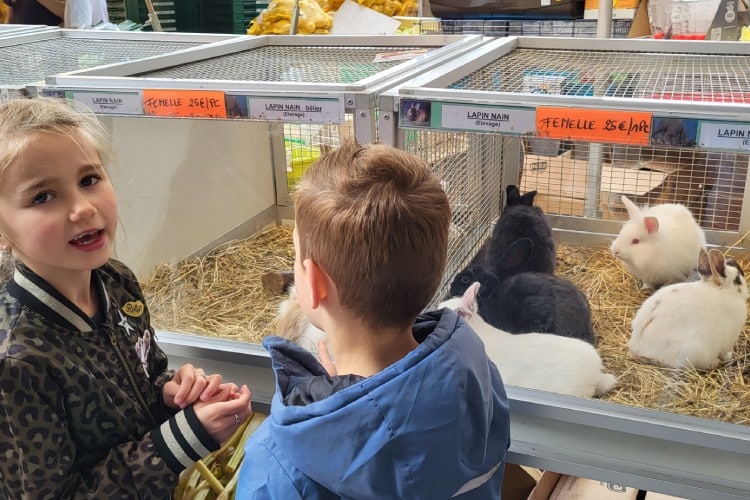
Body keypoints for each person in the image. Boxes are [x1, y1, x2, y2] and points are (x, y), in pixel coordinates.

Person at [0, 98, 253, 498]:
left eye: (88, 180)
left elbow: (144, 372)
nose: (82, 208)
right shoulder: (17, 363)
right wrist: (181, 441)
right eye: (42, 197)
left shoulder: (116, 281)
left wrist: (171, 392)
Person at [236, 139, 511, 498]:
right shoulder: (477, 376)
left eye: (296, 257)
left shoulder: (281, 463)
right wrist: (347, 399)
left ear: (315, 284)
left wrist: (339, 408)